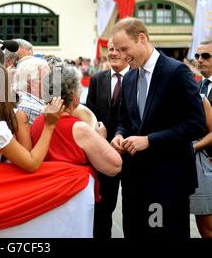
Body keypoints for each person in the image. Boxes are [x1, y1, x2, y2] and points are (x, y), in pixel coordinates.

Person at [110, 17, 206, 238]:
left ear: (142, 39)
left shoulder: (177, 72)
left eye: (125, 49)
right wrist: (119, 135)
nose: (121, 56)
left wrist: (150, 140)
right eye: (116, 50)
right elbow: (125, 120)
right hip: (135, 182)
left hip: (167, 183)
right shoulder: (130, 76)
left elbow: (196, 125)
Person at [31, 64, 122, 237]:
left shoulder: (37, 123)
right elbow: (114, 166)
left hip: (46, 202)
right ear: (73, 96)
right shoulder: (79, 128)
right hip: (72, 204)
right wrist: (101, 138)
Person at [87, 41, 129, 239]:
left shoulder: (139, 78)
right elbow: (90, 114)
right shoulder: (97, 79)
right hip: (103, 153)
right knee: (103, 208)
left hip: (132, 151)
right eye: (110, 49)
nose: (113, 53)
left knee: (133, 209)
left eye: (118, 49)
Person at [190, 40, 212, 237]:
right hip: (202, 165)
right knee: (204, 224)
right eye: (197, 56)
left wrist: (194, 147)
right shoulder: (196, 86)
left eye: (206, 56)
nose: (200, 60)